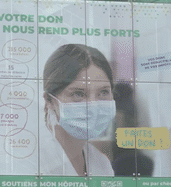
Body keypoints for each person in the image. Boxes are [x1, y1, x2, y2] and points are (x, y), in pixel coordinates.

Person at [42, 44, 116, 176]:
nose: (93, 107)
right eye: (78, 94)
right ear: (49, 100)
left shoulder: (102, 163)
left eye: (103, 92)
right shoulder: (32, 159)